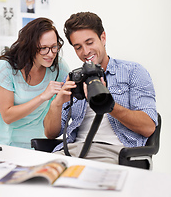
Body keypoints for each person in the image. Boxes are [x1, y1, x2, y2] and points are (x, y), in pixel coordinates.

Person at [43, 12, 158, 164]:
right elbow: (51, 133)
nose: (85, 52)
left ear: (103, 37)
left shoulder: (133, 72)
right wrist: (57, 103)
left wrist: (108, 104)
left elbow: (148, 127)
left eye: (89, 43)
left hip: (114, 153)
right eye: (78, 47)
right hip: (71, 152)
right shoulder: (73, 79)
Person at [0, 17, 70, 148]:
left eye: (54, 47)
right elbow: (7, 115)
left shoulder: (58, 67)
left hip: (39, 142)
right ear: (29, 47)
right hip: (7, 141)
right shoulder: (6, 68)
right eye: (43, 48)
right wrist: (42, 97)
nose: (51, 54)